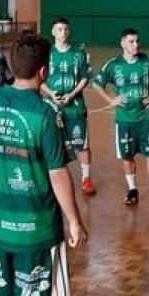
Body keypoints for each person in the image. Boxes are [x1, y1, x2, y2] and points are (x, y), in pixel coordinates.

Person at [0, 34, 88, 296]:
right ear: (44, 72)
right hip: (34, 227)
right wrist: (74, 220)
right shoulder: (45, 113)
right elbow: (57, 173)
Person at [92, 28, 149, 208]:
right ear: (122, 43)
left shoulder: (148, 62)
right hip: (124, 120)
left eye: (137, 41)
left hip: (145, 119)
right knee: (127, 156)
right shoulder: (114, 65)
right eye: (131, 41)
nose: (136, 45)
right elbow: (97, 83)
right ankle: (132, 190)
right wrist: (111, 100)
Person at [41, 17, 96, 195]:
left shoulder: (78, 53)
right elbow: (38, 78)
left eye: (65, 29)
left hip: (76, 106)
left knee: (82, 143)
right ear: (52, 32)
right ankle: (51, 178)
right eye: (59, 29)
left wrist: (72, 94)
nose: (63, 33)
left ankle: (86, 179)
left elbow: (85, 77)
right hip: (52, 106)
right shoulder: (46, 53)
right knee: (51, 144)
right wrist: (51, 94)